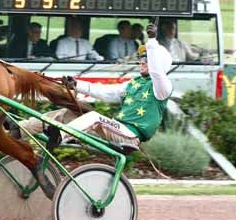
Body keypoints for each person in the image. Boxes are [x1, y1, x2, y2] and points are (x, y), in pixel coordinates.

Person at [17, 24, 172, 148]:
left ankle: (62, 137)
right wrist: (77, 85)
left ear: (158, 61)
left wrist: (152, 41)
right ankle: (21, 128)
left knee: (93, 117)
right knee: (69, 112)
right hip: (116, 129)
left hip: (131, 136)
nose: (142, 61)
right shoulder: (134, 83)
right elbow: (104, 92)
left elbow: (157, 72)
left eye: (146, 58)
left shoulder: (162, 88)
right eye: (141, 57)